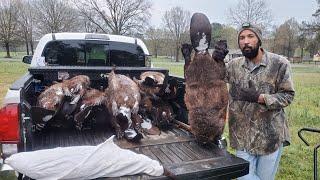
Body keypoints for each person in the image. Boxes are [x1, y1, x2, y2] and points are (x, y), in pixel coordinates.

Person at [212, 23, 295, 180]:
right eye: (242, 38)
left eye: (250, 36)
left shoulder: (279, 64)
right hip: (242, 136)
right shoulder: (233, 66)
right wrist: (215, 61)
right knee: (244, 176)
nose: (246, 41)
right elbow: (215, 79)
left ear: (259, 39)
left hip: (270, 137)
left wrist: (260, 98)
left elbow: (288, 95)